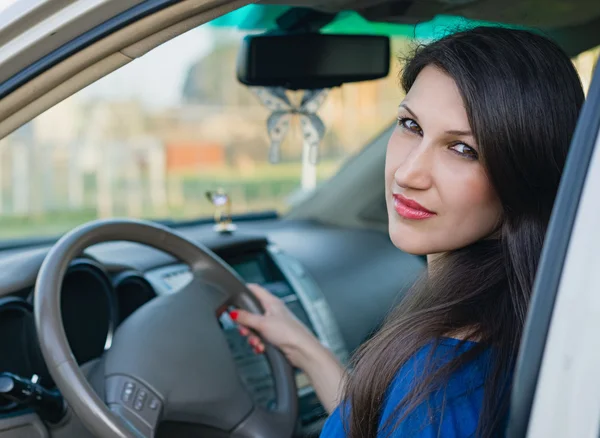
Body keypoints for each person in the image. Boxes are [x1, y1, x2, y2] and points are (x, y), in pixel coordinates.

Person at [229, 26, 585, 437]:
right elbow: (378, 421)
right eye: (410, 125)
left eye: (463, 149)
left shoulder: (442, 381)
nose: (407, 172)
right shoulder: (528, 317)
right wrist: (302, 347)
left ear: (523, 173)